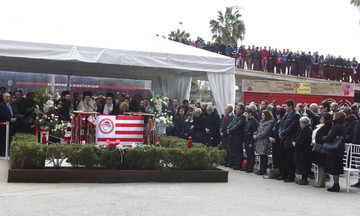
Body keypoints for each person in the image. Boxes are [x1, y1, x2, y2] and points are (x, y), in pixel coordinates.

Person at [322, 111, 346, 192]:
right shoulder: (343, 125)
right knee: (337, 167)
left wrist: (324, 138)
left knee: (334, 167)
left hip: (333, 149)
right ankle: (336, 184)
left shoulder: (335, 126)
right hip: (340, 148)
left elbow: (330, 137)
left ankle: (335, 185)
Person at [278, 99, 301, 182]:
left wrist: (283, 133)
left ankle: (291, 176)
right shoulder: (286, 114)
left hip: (290, 139)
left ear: (291, 106)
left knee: (290, 159)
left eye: (286, 106)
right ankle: (284, 174)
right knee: (283, 158)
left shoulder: (296, 115)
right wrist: (280, 132)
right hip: (283, 139)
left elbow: (292, 127)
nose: (285, 108)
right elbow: (281, 124)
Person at [312, 113, 333, 188]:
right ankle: (320, 181)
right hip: (320, 146)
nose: (320, 120)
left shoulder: (328, 127)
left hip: (323, 148)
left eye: (322, 119)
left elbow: (323, 137)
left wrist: (317, 139)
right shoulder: (324, 126)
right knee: (320, 165)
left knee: (322, 165)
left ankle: (321, 181)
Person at [293, 116, 313, 185]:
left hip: (305, 150)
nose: (300, 124)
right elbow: (297, 136)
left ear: (305, 124)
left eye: (301, 123)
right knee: (301, 164)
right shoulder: (301, 129)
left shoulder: (308, 130)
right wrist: (295, 142)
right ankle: (302, 178)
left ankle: (305, 179)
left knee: (305, 165)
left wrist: (297, 144)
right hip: (299, 149)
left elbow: (306, 141)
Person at [253, 110, 274, 175]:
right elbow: (258, 130)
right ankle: (260, 169)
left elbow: (265, 132)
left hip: (265, 141)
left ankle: (263, 170)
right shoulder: (261, 122)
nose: (262, 117)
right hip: (259, 141)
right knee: (261, 156)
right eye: (262, 115)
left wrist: (257, 136)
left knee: (264, 156)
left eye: (263, 115)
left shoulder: (269, 122)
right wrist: (255, 134)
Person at [227, 104, 246, 170]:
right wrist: (228, 128)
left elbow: (238, 125)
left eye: (238, 109)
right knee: (234, 150)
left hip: (238, 136)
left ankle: (238, 165)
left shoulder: (242, 117)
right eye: (236, 109)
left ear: (241, 110)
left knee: (238, 151)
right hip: (233, 136)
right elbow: (231, 123)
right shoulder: (236, 116)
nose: (236, 110)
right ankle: (235, 164)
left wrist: (230, 130)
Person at [269, 108, 286, 179]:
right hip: (273, 141)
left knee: (280, 158)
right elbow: (271, 129)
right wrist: (270, 137)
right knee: (274, 158)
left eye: (278, 114)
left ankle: (280, 173)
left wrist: (276, 139)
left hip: (279, 142)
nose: (276, 115)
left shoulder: (283, 122)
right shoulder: (275, 121)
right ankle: (275, 172)